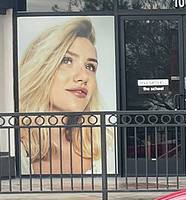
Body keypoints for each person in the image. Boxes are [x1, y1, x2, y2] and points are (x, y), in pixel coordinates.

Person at [18, 17, 115, 175]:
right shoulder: (15, 147)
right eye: (67, 60)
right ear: (41, 68)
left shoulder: (102, 147)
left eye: (90, 66)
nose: (83, 76)